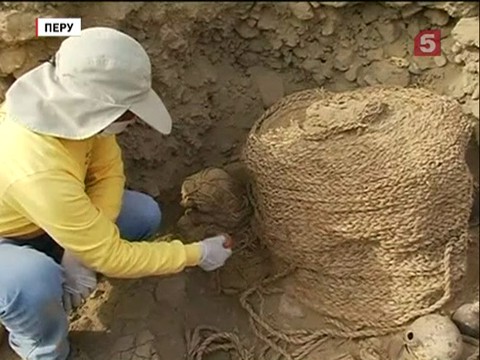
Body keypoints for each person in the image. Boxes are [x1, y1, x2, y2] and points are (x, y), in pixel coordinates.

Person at [0, 27, 233, 360]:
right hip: (6, 240)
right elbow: (112, 256)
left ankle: (55, 270)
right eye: (128, 112)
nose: (134, 120)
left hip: (51, 217)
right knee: (31, 283)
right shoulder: (34, 165)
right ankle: (42, 347)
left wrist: (81, 250)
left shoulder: (73, 108)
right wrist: (196, 254)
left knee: (144, 214)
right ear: (99, 107)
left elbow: (109, 170)